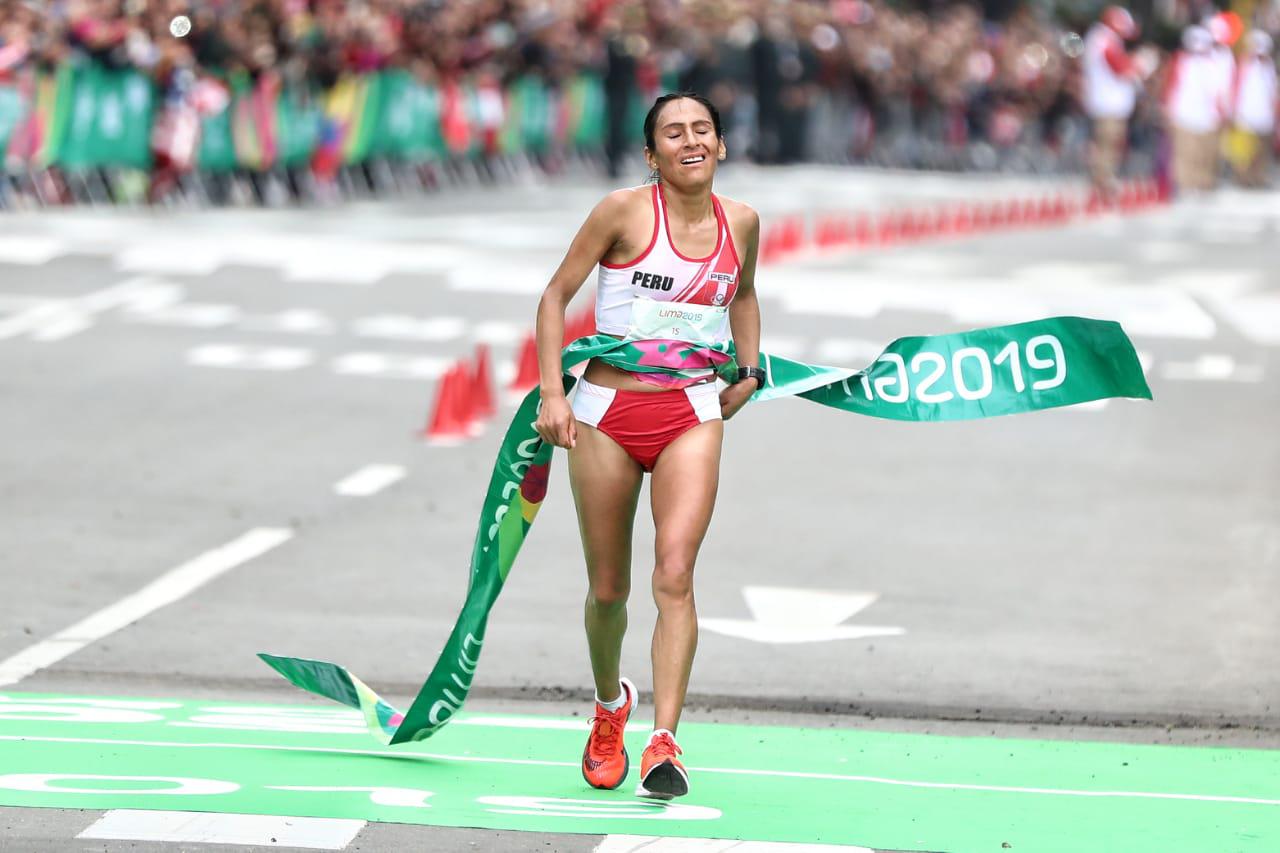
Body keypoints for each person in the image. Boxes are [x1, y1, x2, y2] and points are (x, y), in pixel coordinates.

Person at [532, 91, 763, 800]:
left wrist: (749, 369)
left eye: (702, 130)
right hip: (604, 414)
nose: (689, 140)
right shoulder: (623, 213)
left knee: (675, 573)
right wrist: (552, 392)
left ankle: (666, 739)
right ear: (651, 153)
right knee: (609, 590)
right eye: (673, 132)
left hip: (692, 412)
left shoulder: (743, 222)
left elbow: (745, 294)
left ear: (721, 145)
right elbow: (554, 297)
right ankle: (610, 708)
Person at [1082, 5, 1142, 200]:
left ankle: (1102, 180)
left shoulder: (1098, 38)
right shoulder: (1104, 39)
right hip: (1108, 103)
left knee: (1107, 144)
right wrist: (1138, 66)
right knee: (1108, 144)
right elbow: (1119, 67)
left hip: (1105, 101)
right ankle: (1103, 182)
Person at [1165, 25, 1223, 193]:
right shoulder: (1179, 60)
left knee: (1204, 153)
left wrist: (1219, 111)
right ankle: (1183, 183)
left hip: (1207, 116)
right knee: (1184, 151)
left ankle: (1202, 182)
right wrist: (1169, 109)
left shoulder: (1213, 63)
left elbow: (1217, 90)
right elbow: (1171, 86)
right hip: (1184, 114)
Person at [1230, 30, 1277, 188]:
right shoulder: (1242, 64)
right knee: (1244, 150)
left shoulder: (1269, 66)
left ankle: (1258, 178)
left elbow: (1272, 91)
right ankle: (1243, 178)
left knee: (1261, 151)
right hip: (1245, 114)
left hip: (1264, 116)